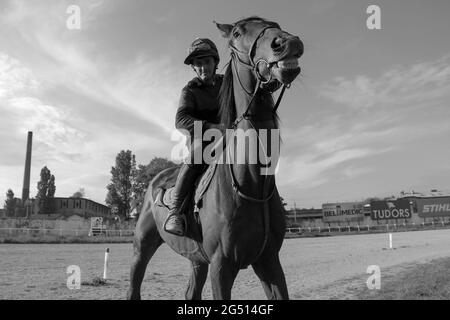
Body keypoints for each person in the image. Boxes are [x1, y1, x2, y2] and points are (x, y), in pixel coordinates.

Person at [163, 38, 223, 236]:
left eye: (206, 62)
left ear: (215, 62)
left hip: (232, 135)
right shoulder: (189, 90)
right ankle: (175, 212)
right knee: (198, 152)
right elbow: (181, 119)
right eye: (198, 64)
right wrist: (213, 127)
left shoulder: (227, 83)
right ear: (194, 68)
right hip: (203, 140)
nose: (203, 67)